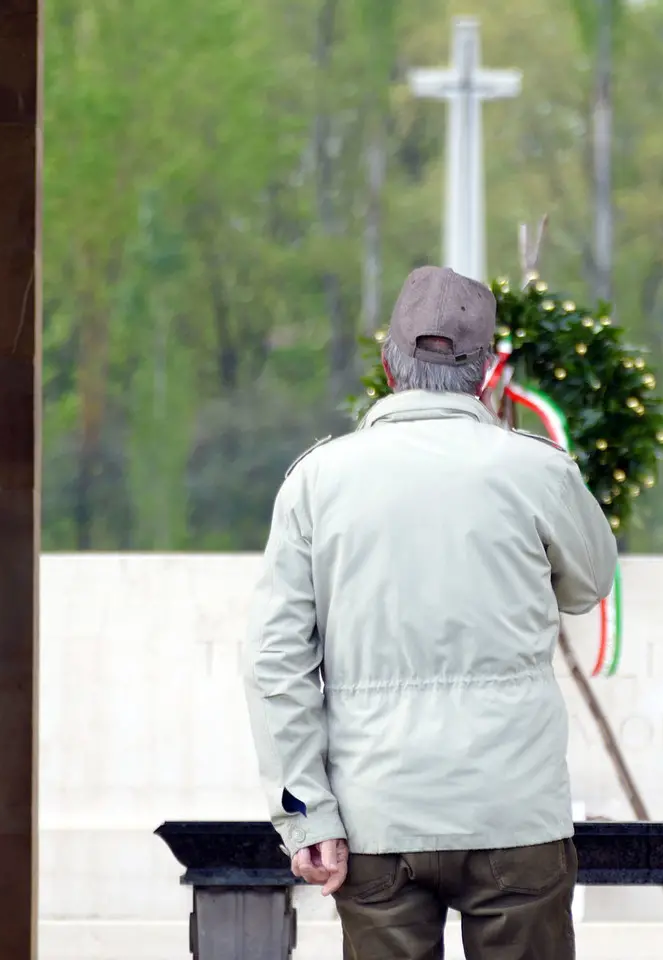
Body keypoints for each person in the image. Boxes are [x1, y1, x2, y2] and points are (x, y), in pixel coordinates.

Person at [242, 265, 619, 959]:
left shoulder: (317, 480)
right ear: (485, 372)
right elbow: (589, 585)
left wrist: (305, 814)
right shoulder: (536, 469)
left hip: (374, 813)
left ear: (389, 365)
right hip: (513, 808)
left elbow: (276, 663)